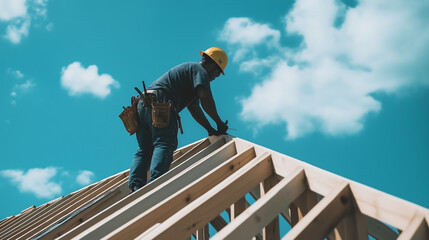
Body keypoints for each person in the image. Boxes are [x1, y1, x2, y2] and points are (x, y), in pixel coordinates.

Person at [128, 47, 229, 192]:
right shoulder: (199, 71)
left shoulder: (189, 72)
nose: (214, 78)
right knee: (165, 142)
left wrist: (210, 129)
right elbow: (205, 96)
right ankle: (154, 185)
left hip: (142, 104)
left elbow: (194, 107)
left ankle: (136, 187)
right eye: (217, 74)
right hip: (160, 103)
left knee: (145, 149)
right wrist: (219, 122)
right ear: (213, 65)